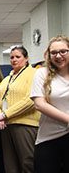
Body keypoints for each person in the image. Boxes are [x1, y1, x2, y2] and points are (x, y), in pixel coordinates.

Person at [0, 46, 40, 173]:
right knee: (10, 164)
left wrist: (5, 114)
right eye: (12, 57)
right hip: (6, 125)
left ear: (26, 59)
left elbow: (31, 99)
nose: (14, 60)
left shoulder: (33, 74)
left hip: (25, 125)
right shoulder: (7, 78)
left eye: (18, 57)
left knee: (27, 162)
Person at [30, 35, 69, 173]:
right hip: (49, 138)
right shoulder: (42, 73)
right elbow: (39, 104)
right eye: (54, 53)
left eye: (63, 51)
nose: (58, 56)